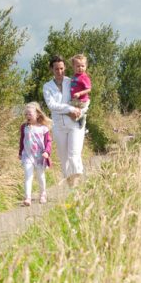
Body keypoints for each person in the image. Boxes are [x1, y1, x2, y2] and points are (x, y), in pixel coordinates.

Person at [43, 55, 85, 187]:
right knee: (64, 158)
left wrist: (79, 112)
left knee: (74, 153)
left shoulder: (72, 81)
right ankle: (71, 186)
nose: (60, 72)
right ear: (52, 69)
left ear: (65, 68)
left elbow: (85, 99)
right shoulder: (47, 86)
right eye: (56, 69)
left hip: (75, 124)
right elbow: (52, 106)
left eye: (62, 68)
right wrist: (70, 108)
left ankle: (78, 182)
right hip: (58, 126)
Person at [19, 101, 52, 205]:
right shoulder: (24, 127)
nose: (28, 116)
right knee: (28, 176)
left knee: (40, 176)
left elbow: (48, 142)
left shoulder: (43, 128)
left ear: (37, 114)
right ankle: (28, 197)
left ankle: (43, 194)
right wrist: (20, 152)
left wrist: (47, 152)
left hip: (39, 156)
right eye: (26, 114)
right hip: (27, 156)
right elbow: (22, 140)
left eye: (30, 114)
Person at [69, 53, 91, 129]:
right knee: (70, 113)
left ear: (86, 66)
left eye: (82, 66)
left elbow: (88, 89)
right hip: (76, 100)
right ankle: (80, 121)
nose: (80, 68)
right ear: (73, 67)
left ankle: (82, 118)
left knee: (68, 110)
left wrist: (79, 93)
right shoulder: (75, 76)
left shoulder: (84, 77)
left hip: (81, 100)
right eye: (78, 66)